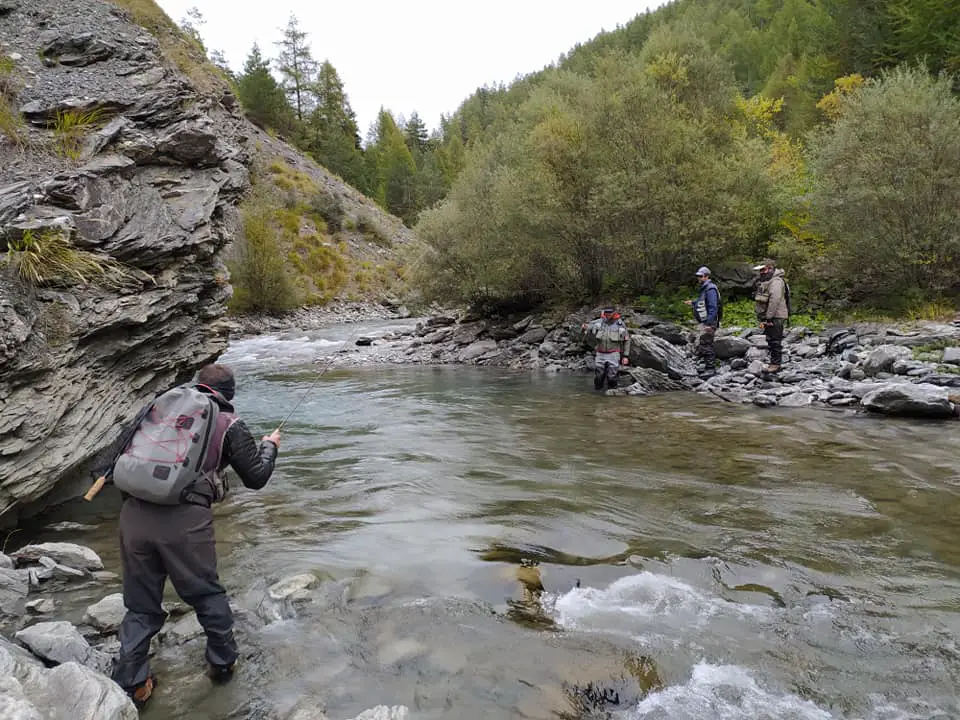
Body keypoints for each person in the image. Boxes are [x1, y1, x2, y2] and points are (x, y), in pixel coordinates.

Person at [95, 364, 281, 709]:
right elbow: (256, 477)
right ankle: (222, 664)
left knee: (140, 605)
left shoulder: (157, 409)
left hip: (133, 516)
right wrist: (270, 446)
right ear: (230, 394)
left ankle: (133, 684)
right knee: (207, 594)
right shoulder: (230, 423)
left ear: (198, 385)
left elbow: (111, 462)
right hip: (184, 523)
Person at [753, 258, 789, 373]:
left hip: (776, 316)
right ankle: (774, 362)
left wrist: (768, 317)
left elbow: (775, 300)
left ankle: (775, 364)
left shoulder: (776, 281)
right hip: (771, 316)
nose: (761, 273)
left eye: (763, 270)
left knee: (775, 341)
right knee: (770, 339)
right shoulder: (769, 281)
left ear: (769, 269)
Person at [684, 266, 721, 377]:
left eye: (700, 276)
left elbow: (713, 307)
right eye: (698, 276)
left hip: (709, 321)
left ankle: (710, 369)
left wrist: (709, 323)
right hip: (706, 320)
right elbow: (702, 302)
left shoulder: (710, 289)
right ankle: (706, 366)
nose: (699, 278)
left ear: (706, 276)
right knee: (704, 342)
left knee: (706, 343)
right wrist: (693, 303)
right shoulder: (705, 288)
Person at [582, 308, 631, 390]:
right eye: (606, 312)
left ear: (614, 313)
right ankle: (598, 396)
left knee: (612, 377)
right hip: (600, 353)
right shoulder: (598, 322)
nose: (608, 314)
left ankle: (612, 395)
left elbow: (627, 340)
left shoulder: (620, 324)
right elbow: (587, 328)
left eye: (610, 312)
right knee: (598, 376)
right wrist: (585, 327)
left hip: (614, 354)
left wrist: (626, 356)